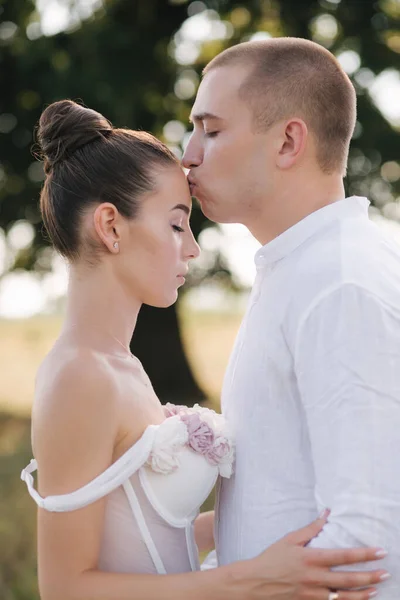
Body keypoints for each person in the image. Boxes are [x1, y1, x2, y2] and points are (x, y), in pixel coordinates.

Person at [20, 99, 387, 600]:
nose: (192, 248)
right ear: (110, 226)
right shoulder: (80, 376)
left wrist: (293, 520)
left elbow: (134, 542)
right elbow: (65, 588)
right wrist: (251, 580)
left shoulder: (119, 366)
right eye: (176, 224)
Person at [182, 36, 400, 599]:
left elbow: (369, 540)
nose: (188, 153)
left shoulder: (340, 283)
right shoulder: (303, 270)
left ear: (287, 141)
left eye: (211, 128)